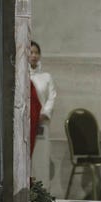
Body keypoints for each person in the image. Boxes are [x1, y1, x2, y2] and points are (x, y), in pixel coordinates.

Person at [29, 40, 57, 190]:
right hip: (27, 123)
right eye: (31, 52)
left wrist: (44, 113)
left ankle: (43, 191)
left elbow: (52, 96)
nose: (33, 56)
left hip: (42, 122)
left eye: (36, 53)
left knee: (41, 159)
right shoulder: (22, 76)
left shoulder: (46, 77)